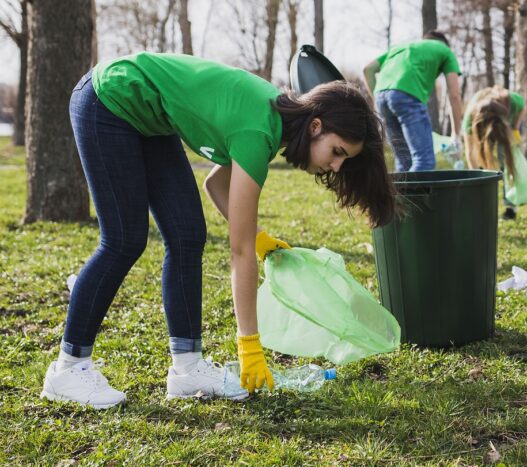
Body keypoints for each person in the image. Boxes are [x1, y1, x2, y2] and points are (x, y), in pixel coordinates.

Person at [41, 52, 396, 409]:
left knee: (187, 234)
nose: (334, 166)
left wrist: (258, 238)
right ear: (316, 126)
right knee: (123, 239)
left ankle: (188, 367)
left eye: (343, 161)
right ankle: (68, 369)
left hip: (150, 118)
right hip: (110, 98)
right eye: (337, 152)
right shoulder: (259, 130)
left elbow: (216, 185)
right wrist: (250, 346)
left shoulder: (273, 124)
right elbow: (238, 253)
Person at [363, 30, 464, 172]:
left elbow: (368, 69)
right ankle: (415, 195)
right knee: (425, 161)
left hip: (381, 96)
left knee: (404, 161)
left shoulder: (400, 47)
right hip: (407, 95)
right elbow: (454, 95)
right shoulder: (445, 50)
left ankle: (399, 195)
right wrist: (456, 134)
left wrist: (378, 100)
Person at [462, 86, 523, 219]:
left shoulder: (512, 100)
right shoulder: (470, 117)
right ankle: (481, 204)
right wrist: (475, 176)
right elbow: (469, 150)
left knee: (506, 163)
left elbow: (523, 107)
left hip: (505, 126)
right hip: (482, 128)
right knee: (481, 163)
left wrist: (515, 127)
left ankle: (510, 206)